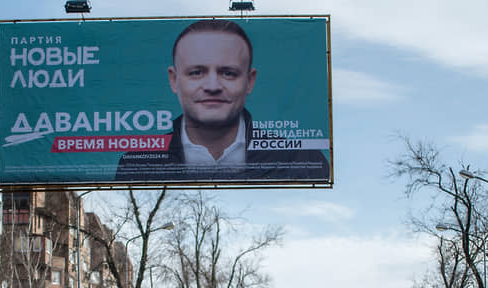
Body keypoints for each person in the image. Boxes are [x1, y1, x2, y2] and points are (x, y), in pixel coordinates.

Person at [115, 19, 329, 181]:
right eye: (197, 72)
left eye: (228, 73)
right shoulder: (137, 163)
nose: (212, 86)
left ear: (250, 81)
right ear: (174, 80)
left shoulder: (302, 160)